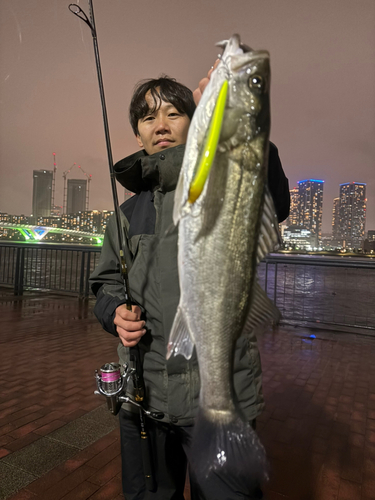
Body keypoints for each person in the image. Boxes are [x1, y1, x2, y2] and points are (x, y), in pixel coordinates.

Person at [89, 69, 290, 500]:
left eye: (174, 113)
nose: (160, 125)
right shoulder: (125, 216)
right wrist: (114, 314)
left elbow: (272, 192)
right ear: (138, 134)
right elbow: (104, 283)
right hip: (144, 396)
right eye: (147, 118)